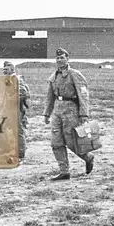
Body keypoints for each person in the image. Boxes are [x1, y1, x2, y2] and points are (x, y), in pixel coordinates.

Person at [43, 48, 94, 181]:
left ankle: (88, 158)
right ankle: (64, 171)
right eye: (58, 58)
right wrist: (46, 114)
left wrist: (84, 114)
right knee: (56, 142)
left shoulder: (74, 74)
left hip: (71, 110)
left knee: (72, 142)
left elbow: (83, 95)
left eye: (62, 58)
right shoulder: (54, 76)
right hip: (57, 111)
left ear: (67, 59)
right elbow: (50, 97)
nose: (59, 60)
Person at [1, 61, 30, 161]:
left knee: (17, 131)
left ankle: (20, 153)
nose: (4, 71)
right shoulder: (7, 79)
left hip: (16, 109)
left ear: (12, 69)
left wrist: (11, 100)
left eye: (6, 69)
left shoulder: (17, 79)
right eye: (3, 69)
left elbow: (23, 93)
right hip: (7, 110)